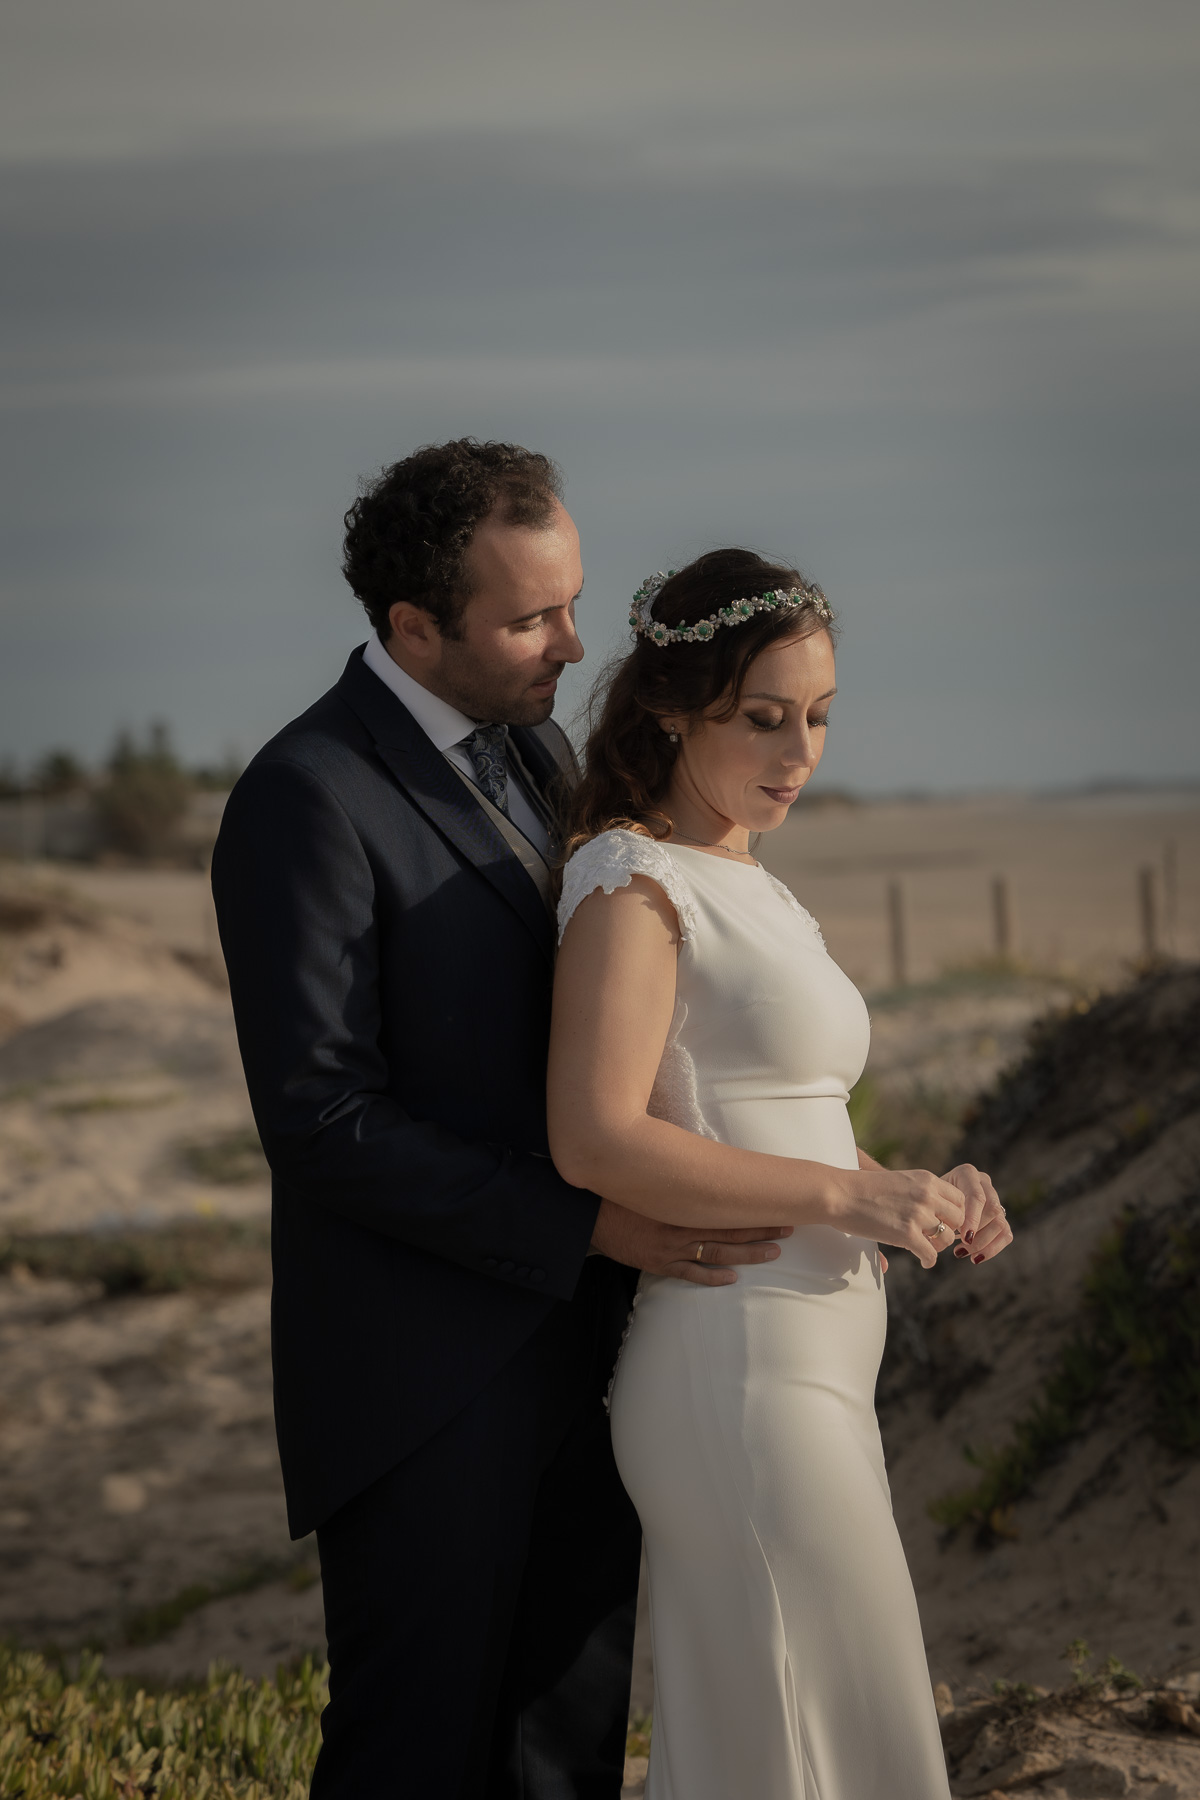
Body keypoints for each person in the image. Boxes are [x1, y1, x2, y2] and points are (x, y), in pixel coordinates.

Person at [210, 442, 789, 1799]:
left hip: (592, 1354)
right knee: (414, 1752)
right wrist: (589, 1221)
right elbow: (321, 1118)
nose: (573, 643)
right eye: (531, 618)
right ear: (414, 627)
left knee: (565, 1749)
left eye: (572, 601)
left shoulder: (540, 749)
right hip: (424, 1381)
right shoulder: (305, 798)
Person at [548, 548, 1014, 1800]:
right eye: (763, 719)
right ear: (667, 706)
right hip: (730, 1366)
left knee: (811, 1730)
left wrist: (913, 1182)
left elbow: (788, 1120)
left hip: (811, 1359)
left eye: (816, 717)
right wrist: (847, 1199)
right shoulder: (631, 883)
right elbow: (593, 1139)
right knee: (821, 1730)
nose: (798, 752)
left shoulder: (748, 876)